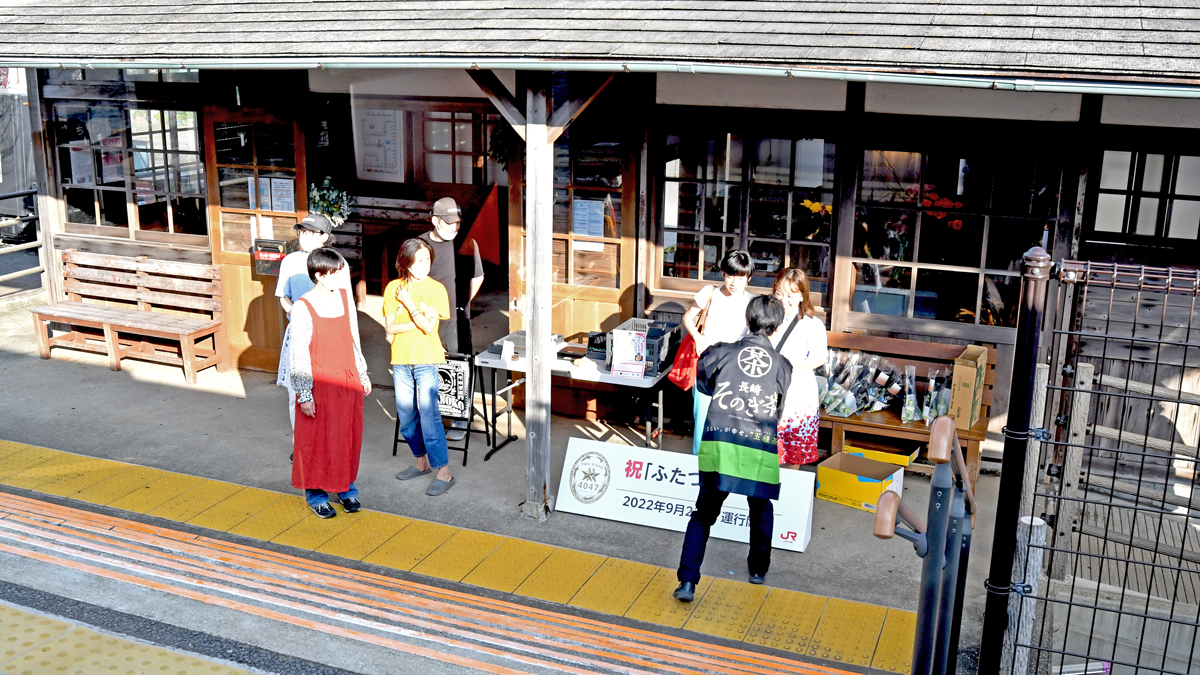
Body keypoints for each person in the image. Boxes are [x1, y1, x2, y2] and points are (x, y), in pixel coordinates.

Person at [674, 295, 792, 601]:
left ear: (747, 319)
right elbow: (778, 408)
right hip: (759, 447)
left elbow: (703, 384)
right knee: (761, 508)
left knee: (703, 515)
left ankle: (687, 582)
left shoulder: (721, 352)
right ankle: (758, 570)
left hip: (722, 443)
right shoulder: (782, 365)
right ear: (777, 327)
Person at [289, 247, 371, 518]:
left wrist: (362, 373)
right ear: (320, 275)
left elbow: (354, 339)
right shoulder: (303, 306)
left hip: (346, 378)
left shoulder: (345, 299)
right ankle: (317, 495)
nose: (341, 278)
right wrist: (304, 393)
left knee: (347, 436)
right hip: (320, 382)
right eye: (336, 273)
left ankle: (347, 488)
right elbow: (298, 353)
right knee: (317, 440)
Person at [384, 237, 455, 496]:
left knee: (430, 418)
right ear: (406, 261)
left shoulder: (436, 289)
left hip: (426, 359)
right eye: (420, 260)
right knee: (406, 418)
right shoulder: (393, 287)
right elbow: (390, 328)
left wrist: (410, 305)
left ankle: (444, 472)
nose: (425, 264)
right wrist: (419, 317)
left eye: (428, 259)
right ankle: (421, 462)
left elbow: (428, 328)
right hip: (401, 359)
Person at [681, 249, 753, 455]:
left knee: (733, 419)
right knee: (703, 417)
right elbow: (688, 317)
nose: (734, 282)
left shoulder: (753, 301)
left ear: (748, 277)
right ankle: (698, 464)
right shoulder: (709, 293)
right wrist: (698, 336)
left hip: (737, 368)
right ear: (723, 273)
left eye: (740, 277)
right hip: (707, 364)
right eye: (730, 275)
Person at [276, 213, 333, 432]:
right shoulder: (290, 261)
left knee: (325, 390)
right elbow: (283, 296)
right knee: (296, 392)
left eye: (311, 233)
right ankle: (299, 444)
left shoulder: (335, 262)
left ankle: (323, 443)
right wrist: (296, 313)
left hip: (325, 333)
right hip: (298, 331)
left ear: (324, 237)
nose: (304, 236)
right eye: (302, 232)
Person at [770, 268, 828, 467]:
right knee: (768, 448)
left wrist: (793, 366)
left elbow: (819, 357)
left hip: (798, 392)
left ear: (802, 295)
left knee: (793, 450)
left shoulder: (812, 324)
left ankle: (790, 489)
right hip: (768, 390)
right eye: (779, 293)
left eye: (791, 295)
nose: (784, 300)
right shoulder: (766, 317)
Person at [419, 197, 484, 356]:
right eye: (449, 223)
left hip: (457, 317)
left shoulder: (468, 243)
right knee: (426, 366)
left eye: (457, 223)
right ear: (435, 220)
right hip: (425, 316)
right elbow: (409, 282)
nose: (454, 227)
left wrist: (462, 301)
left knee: (460, 368)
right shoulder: (419, 245)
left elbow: (477, 276)